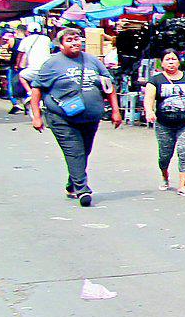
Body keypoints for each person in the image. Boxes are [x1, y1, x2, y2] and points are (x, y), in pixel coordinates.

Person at [28, 26, 122, 207]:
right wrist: (36, 116)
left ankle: (72, 184)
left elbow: (108, 86)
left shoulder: (93, 61)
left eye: (77, 39)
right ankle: (83, 190)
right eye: (69, 40)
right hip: (62, 118)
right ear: (61, 45)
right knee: (75, 151)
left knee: (84, 151)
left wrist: (116, 111)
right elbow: (37, 89)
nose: (75, 43)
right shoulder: (52, 64)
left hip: (90, 117)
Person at [144, 50, 185, 197]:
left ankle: (182, 185)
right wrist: (149, 111)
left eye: (174, 59)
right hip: (164, 124)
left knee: (184, 151)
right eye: (167, 59)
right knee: (165, 155)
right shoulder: (155, 80)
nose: (171, 62)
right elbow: (148, 98)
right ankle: (165, 175)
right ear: (162, 62)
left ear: (179, 61)